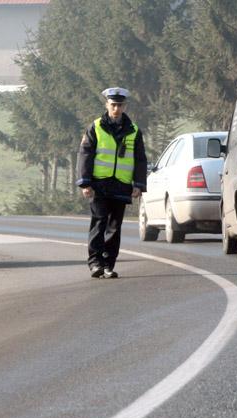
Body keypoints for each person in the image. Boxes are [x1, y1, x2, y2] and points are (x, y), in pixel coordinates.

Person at [77, 87, 147, 279]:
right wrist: (85, 183)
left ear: (125, 106)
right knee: (99, 222)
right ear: (107, 105)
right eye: (113, 105)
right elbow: (85, 154)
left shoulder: (133, 131)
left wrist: (138, 185)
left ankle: (108, 264)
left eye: (120, 105)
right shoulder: (96, 127)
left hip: (122, 185)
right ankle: (95, 263)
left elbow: (140, 159)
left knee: (115, 227)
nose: (116, 108)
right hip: (99, 184)